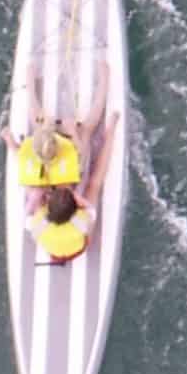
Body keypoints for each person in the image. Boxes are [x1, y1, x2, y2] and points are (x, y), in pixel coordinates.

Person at [25, 110, 121, 263]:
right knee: (94, 184)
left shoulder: (37, 224)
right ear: (75, 208)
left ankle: (109, 132)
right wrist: (74, 195)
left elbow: (29, 214)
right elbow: (89, 208)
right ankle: (111, 132)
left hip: (54, 253)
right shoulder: (81, 221)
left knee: (34, 192)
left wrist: (38, 195)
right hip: (79, 248)